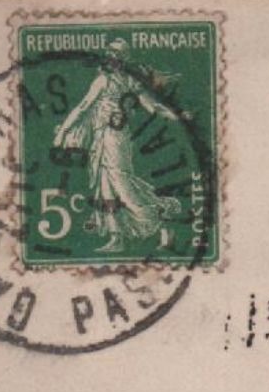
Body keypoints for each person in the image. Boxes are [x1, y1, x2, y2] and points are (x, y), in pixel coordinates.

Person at [51, 38, 183, 253]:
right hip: (105, 138)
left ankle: (160, 219)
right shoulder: (119, 81)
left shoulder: (112, 81)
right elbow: (153, 107)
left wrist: (64, 131)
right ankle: (116, 238)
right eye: (109, 54)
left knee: (121, 185)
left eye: (114, 55)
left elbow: (84, 107)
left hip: (113, 138)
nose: (110, 58)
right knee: (107, 186)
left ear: (120, 60)